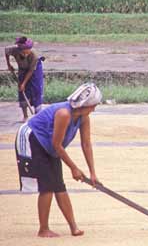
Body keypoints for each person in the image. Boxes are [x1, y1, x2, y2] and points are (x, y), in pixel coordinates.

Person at [14, 83, 102, 237]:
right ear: (84, 105)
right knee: (47, 185)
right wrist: (73, 168)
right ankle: (43, 229)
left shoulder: (84, 118)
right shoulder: (64, 114)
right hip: (33, 139)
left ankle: (73, 227)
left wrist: (92, 172)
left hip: (50, 144)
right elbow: (57, 145)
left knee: (59, 185)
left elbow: (86, 144)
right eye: (93, 106)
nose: (94, 109)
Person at [5, 36, 44, 121]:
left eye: (28, 50)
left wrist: (24, 83)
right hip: (22, 69)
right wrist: (9, 64)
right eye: (24, 50)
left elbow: (30, 71)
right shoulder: (14, 49)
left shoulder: (34, 56)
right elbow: (6, 51)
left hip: (35, 70)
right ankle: (25, 116)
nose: (27, 52)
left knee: (36, 89)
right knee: (21, 90)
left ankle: (38, 116)